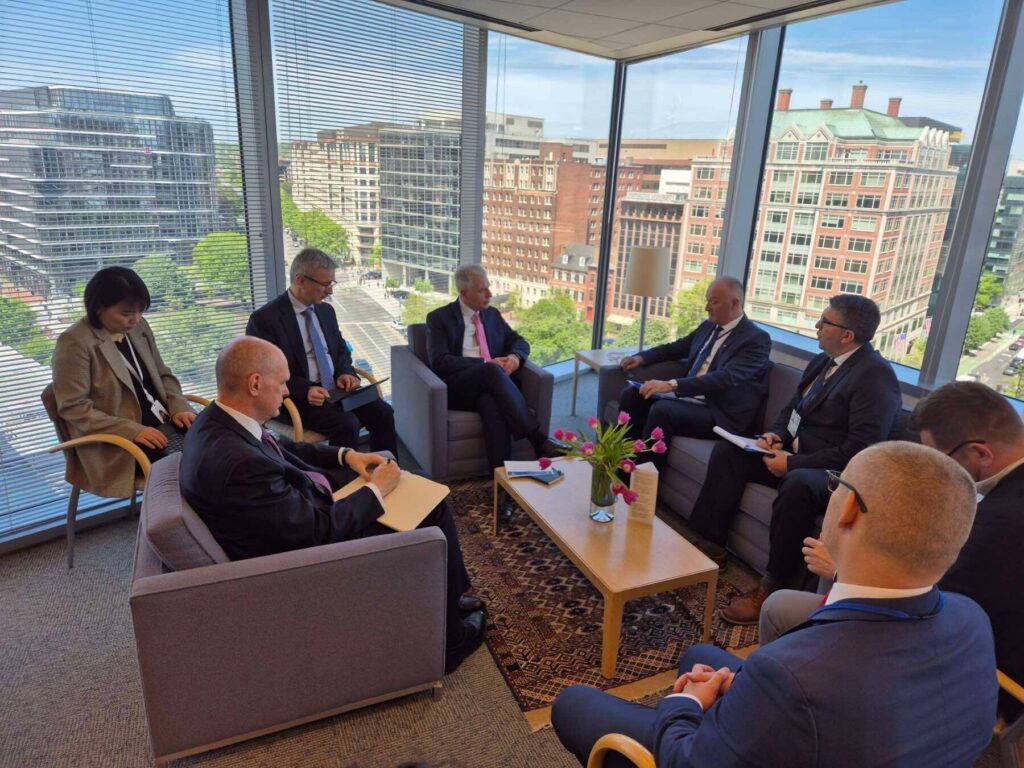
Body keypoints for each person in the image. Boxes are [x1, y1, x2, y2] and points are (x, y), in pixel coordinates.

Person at [551, 441, 997, 768]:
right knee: (700, 655)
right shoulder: (971, 618)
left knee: (572, 704)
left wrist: (684, 705)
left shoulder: (789, 674)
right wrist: (745, 695)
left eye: (836, 482)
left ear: (847, 512)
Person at [179, 336, 484, 673]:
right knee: (432, 508)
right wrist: (377, 491)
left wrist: (346, 455)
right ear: (255, 384)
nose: (287, 392)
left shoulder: (216, 421)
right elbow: (316, 532)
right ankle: (451, 640)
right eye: (282, 383)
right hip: (309, 557)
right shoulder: (239, 464)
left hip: (299, 513)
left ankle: (449, 597)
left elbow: (281, 447)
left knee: (413, 488)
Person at [761, 381, 1023, 720]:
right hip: (966, 629)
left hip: (968, 668)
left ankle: (787, 704)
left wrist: (841, 571)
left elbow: (926, 604)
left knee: (780, 607)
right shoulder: (1004, 501)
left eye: (939, 460)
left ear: (981, 454)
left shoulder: (997, 525)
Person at [688, 294, 900, 625]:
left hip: (838, 473)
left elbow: (861, 449)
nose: (817, 326)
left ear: (847, 335)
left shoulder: (875, 377)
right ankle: (711, 544)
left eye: (825, 322)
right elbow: (792, 410)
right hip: (795, 454)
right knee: (730, 452)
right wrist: (775, 436)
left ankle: (774, 587)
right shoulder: (823, 360)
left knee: (798, 484)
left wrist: (792, 463)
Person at [51, 266, 195, 498]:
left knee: (219, 445)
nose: (135, 319)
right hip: (119, 443)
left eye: (140, 311)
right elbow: (73, 408)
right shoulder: (75, 342)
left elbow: (163, 374)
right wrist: (132, 430)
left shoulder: (139, 327)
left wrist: (179, 405)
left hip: (165, 424)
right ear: (98, 307)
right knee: (196, 468)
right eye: (126, 313)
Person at [247, 247, 397, 455]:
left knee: (383, 412)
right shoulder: (265, 320)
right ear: (301, 280)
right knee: (347, 424)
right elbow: (264, 374)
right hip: (294, 398)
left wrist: (346, 372)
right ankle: (345, 475)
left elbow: (340, 350)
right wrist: (305, 390)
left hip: (334, 390)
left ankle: (388, 467)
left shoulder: (326, 311)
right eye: (325, 284)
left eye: (331, 284)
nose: (330, 291)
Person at [616, 277, 770, 468]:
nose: (707, 307)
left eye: (714, 302)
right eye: (707, 301)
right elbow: (676, 348)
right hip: (689, 398)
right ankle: (621, 469)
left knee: (662, 411)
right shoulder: (708, 326)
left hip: (718, 412)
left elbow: (725, 378)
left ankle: (644, 481)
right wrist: (641, 358)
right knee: (632, 394)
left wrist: (671, 385)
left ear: (735, 303)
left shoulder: (756, 339)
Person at [425, 263, 558, 471]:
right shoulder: (439, 319)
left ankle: (500, 477)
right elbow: (440, 362)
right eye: (482, 290)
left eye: (488, 287)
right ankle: (537, 439)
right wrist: (485, 363)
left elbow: (519, 341)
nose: (490, 294)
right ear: (464, 293)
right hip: (458, 387)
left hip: (493, 386)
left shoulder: (492, 315)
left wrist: (515, 357)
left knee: (491, 403)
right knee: (490, 369)